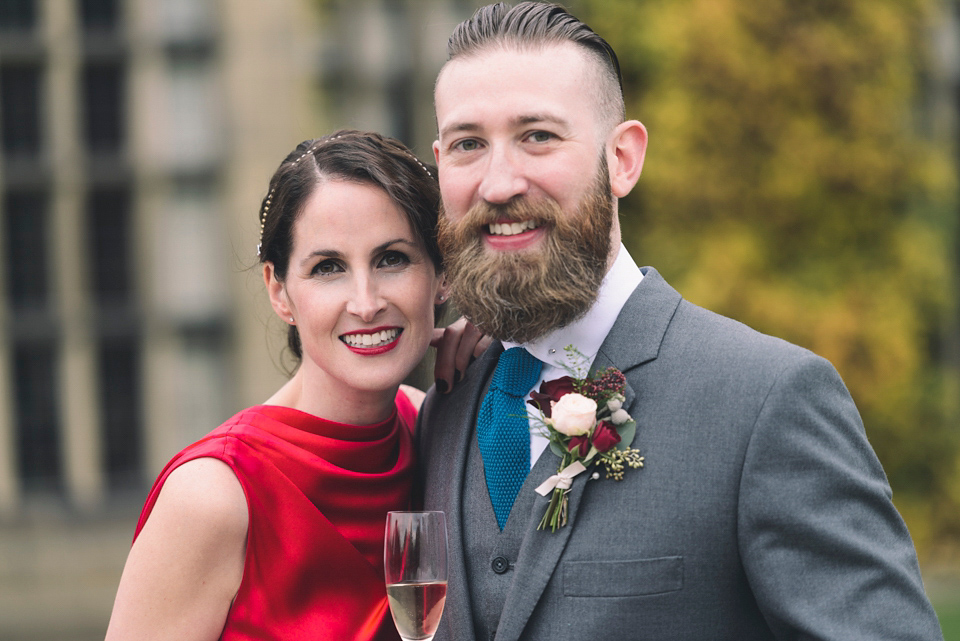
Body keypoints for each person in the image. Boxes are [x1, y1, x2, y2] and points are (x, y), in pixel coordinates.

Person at [416, 3, 944, 640]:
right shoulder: (441, 408)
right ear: (441, 162)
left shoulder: (767, 401)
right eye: (470, 145)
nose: (498, 184)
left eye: (538, 136)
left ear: (624, 159)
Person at [105, 130, 487, 641]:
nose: (366, 301)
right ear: (279, 291)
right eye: (328, 268)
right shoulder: (212, 497)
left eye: (391, 258)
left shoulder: (439, 428)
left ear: (442, 275)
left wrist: (505, 356)